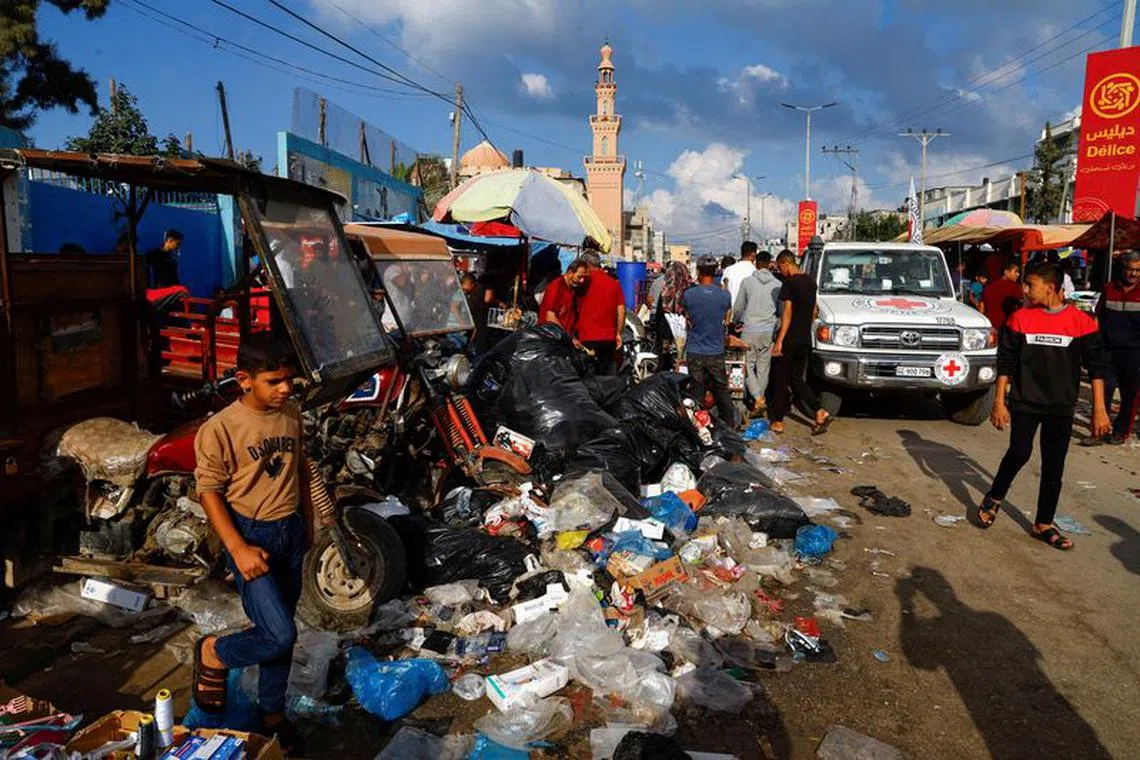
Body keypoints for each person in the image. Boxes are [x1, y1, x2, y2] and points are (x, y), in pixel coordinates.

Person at [192, 334, 309, 752]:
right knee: (278, 634)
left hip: (290, 533)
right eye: (274, 381)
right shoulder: (220, 428)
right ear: (244, 379)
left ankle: (273, 713)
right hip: (250, 536)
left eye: (289, 380)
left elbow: (301, 471)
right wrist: (238, 549)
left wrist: (308, 527)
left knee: (284, 630)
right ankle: (214, 652)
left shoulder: (291, 413)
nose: (285, 389)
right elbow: (209, 492)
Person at [978, 263, 1111, 551]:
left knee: (1054, 466)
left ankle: (1044, 523)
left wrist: (1100, 409)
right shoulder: (1019, 318)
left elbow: (1098, 367)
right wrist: (999, 402)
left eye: (1030, 285)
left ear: (1050, 287)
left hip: (1061, 406)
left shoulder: (1081, 322)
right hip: (1025, 402)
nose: (1024, 290)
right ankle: (995, 496)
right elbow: (1006, 363)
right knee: (1019, 452)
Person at [770, 249, 831, 435]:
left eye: (780, 268)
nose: (780, 272)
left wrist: (779, 341)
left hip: (790, 339)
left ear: (785, 264)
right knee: (797, 379)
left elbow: (787, 314)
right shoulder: (811, 283)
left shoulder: (789, 284)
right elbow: (815, 312)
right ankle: (819, 411)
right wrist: (805, 325)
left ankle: (778, 421)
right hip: (805, 338)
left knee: (781, 380)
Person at [1091, 250, 1140, 444]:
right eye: (1130, 269)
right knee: (1105, 387)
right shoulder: (1109, 289)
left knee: (1130, 393)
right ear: (1123, 269)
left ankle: (1121, 431)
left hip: (1135, 352)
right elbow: (1098, 316)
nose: (1133, 274)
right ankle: (1098, 430)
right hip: (1108, 349)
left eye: (1137, 270)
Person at [683, 256, 735, 427]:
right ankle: (729, 426)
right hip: (715, 350)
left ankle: (697, 427)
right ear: (715, 272)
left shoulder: (689, 295)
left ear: (698, 271)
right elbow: (727, 319)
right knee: (721, 390)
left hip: (695, 349)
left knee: (696, 391)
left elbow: (687, 318)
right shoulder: (724, 296)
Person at [733, 250, 780, 417]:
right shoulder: (777, 284)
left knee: (746, 366)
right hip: (768, 331)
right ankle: (760, 400)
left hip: (750, 330)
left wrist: (736, 321)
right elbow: (780, 311)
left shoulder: (747, 282)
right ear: (769, 264)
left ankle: (758, 399)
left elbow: (738, 308)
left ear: (756, 263)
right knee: (763, 369)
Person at [575, 251, 625, 374]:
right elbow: (621, 310)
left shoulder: (582, 282)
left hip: (586, 337)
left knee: (588, 377)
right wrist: (618, 333)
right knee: (607, 378)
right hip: (608, 339)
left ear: (587, 264)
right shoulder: (613, 283)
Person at [655, 260, 692, 370]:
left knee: (666, 366)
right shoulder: (689, 292)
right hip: (684, 335)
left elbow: (658, 316)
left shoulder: (665, 294)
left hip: (666, 334)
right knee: (682, 365)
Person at [538, 259, 588, 335]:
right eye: (579, 277)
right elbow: (550, 317)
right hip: (551, 337)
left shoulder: (572, 288)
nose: (582, 280)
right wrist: (567, 336)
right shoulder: (557, 287)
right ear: (570, 272)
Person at [980, 260, 1023, 330]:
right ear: (1006, 272)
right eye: (1016, 271)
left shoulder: (988, 287)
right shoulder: (1016, 288)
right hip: (1008, 328)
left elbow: (981, 311)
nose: (1018, 274)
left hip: (990, 327)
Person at [461, 273, 491, 355]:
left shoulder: (478, 292)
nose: (463, 288)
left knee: (479, 349)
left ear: (471, 283)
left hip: (480, 324)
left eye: (465, 285)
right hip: (475, 325)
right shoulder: (472, 292)